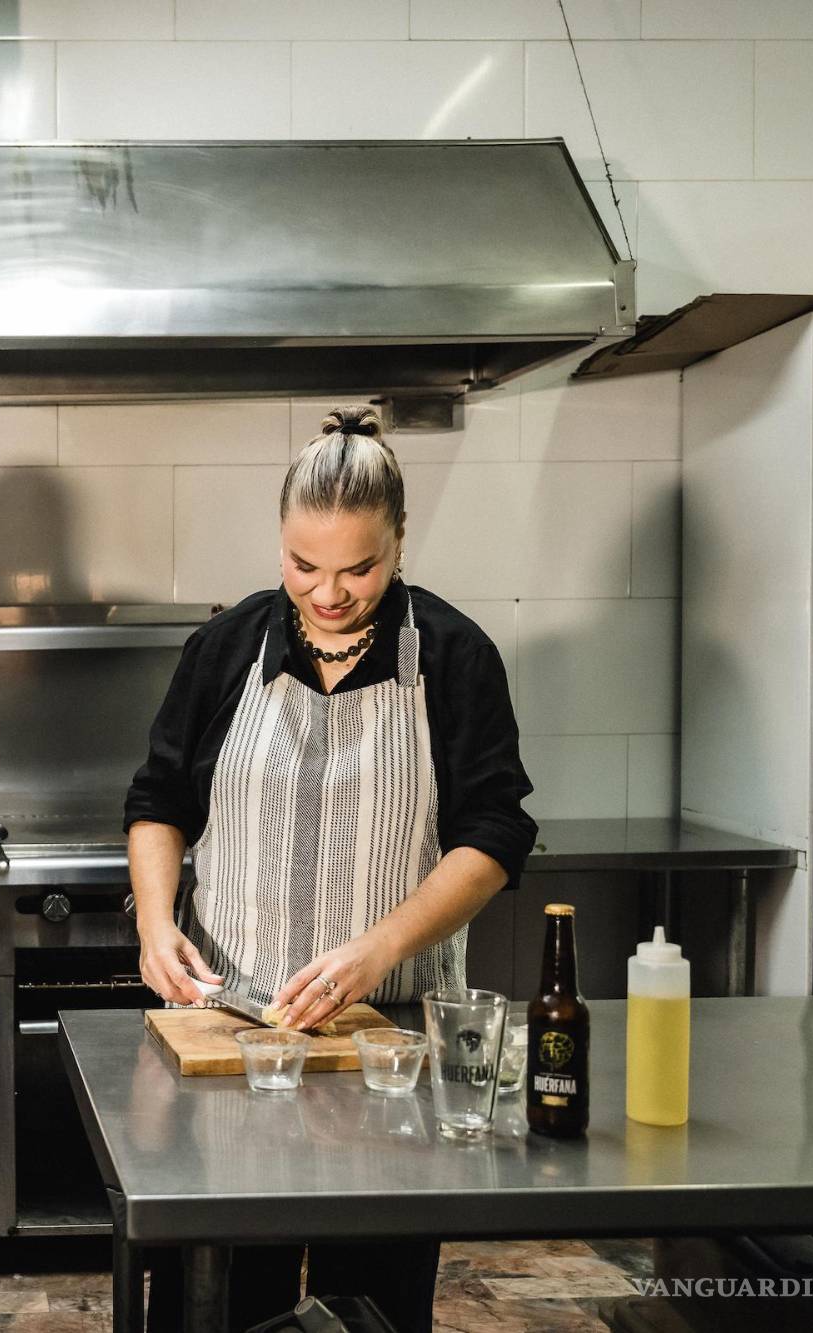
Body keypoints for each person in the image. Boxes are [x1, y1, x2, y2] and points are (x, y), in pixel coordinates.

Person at [124, 404, 537, 1333]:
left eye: (360, 567)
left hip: (388, 1050)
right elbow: (158, 801)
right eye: (304, 564)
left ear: (400, 540)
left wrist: (378, 947)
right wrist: (155, 921)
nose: (330, 592)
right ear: (280, 539)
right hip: (237, 1037)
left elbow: (495, 835)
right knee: (218, 1300)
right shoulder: (226, 648)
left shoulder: (455, 657)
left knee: (372, 1304)